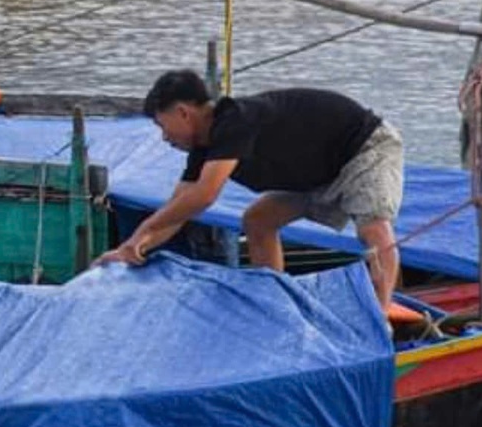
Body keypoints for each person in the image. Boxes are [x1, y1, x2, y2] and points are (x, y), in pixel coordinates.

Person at [97, 69, 405, 309]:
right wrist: (135, 247)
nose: (165, 138)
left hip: (363, 149)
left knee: (373, 228)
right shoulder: (202, 149)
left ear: (183, 113)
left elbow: (205, 196)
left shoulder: (234, 120)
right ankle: (274, 301)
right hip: (315, 174)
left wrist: (145, 229)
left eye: (163, 127)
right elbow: (178, 208)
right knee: (258, 219)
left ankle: (381, 312)